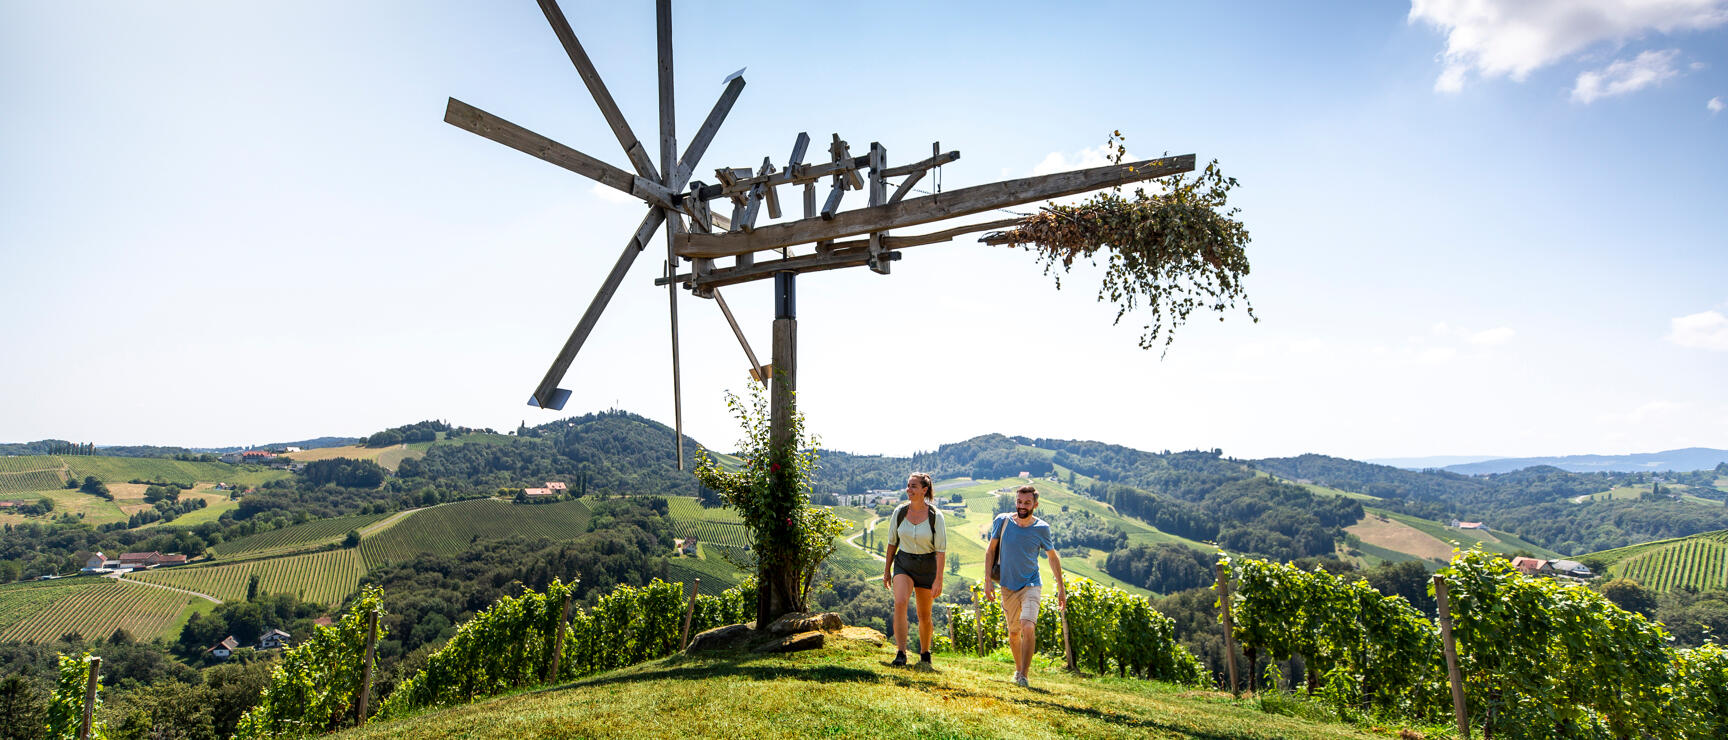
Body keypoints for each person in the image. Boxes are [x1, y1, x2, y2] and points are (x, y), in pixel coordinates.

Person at [983, 484, 1066, 688]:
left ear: (1035, 505)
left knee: (1028, 626)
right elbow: (990, 551)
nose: (1022, 506)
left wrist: (1061, 588)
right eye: (1019, 502)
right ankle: (1018, 669)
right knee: (1013, 633)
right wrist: (987, 581)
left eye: (1027, 503)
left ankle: (1024, 675)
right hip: (1007, 585)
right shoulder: (1002, 521)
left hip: (1031, 584)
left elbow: (1053, 558)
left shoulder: (1041, 528)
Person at [882, 471, 946, 667]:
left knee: (924, 615)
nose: (908, 490)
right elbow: (892, 543)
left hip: (928, 566)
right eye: (908, 486)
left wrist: (938, 579)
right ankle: (900, 653)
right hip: (904, 563)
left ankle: (925, 653)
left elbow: (941, 551)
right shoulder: (899, 513)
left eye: (913, 486)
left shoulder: (936, 516)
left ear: (924, 490)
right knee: (900, 602)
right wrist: (887, 571)